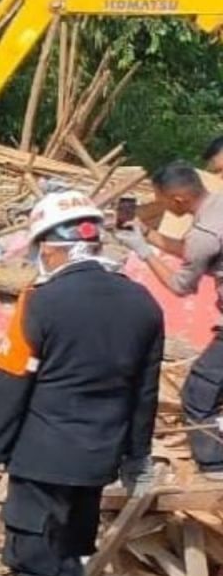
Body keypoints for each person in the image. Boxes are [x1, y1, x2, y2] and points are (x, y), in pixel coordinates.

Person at [0, 191, 163, 576]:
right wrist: (136, 457)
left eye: (40, 248)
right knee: (69, 549)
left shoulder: (44, 299)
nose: (39, 258)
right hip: (98, 459)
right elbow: (146, 391)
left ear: (57, 245)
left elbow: (12, 382)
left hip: (43, 457)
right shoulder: (143, 302)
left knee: (35, 556)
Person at [116, 161, 223, 478]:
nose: (159, 204)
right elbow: (196, 253)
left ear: (178, 199)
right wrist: (148, 235)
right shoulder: (216, 208)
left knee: (198, 391)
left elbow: (181, 286)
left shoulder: (204, 232)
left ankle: (215, 468)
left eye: (161, 198)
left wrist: (143, 253)